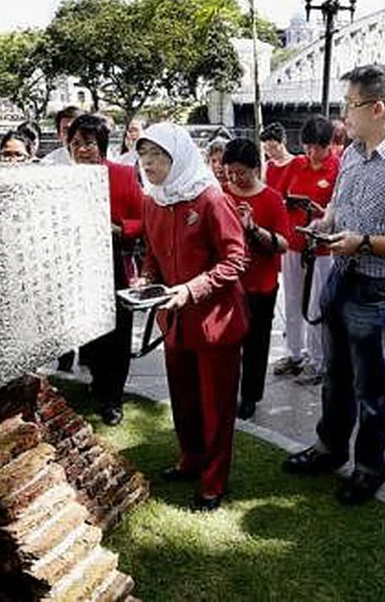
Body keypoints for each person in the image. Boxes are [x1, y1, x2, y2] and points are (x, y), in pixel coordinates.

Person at [282, 64, 385, 505]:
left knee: (373, 390)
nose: (342, 116)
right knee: (336, 378)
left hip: (381, 290)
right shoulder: (353, 151)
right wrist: (327, 221)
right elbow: (341, 200)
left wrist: (365, 243)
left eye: (349, 105)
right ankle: (329, 448)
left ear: (377, 107)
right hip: (342, 277)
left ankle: (370, 467)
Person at [135, 122, 249, 511]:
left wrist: (192, 288)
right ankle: (190, 458)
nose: (148, 164)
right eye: (144, 155)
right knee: (183, 398)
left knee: (216, 405)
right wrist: (147, 279)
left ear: (178, 157)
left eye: (158, 157)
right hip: (176, 321)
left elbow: (236, 259)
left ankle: (214, 480)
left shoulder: (211, 199)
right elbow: (151, 250)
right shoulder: (152, 199)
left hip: (215, 322)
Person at [56, 114, 143, 426]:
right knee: (90, 334)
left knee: (118, 334)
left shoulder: (121, 174)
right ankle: (97, 379)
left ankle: (114, 398)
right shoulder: (64, 180)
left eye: (89, 143)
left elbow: (142, 220)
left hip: (116, 264)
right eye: (75, 143)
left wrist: (119, 230)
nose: (81, 149)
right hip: (79, 266)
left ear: (102, 145)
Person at [222, 138, 290, 421]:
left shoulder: (271, 198)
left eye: (242, 172)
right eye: (230, 171)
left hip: (260, 285)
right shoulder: (220, 194)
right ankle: (224, 391)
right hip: (227, 283)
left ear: (255, 168)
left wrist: (254, 229)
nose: (236, 177)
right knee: (225, 343)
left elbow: (284, 243)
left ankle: (250, 396)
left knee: (256, 342)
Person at [272, 115, 340, 386]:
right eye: (307, 146)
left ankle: (317, 359)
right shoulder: (297, 164)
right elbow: (277, 196)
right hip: (294, 243)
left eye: (317, 147)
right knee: (292, 299)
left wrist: (321, 213)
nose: (312, 153)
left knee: (316, 305)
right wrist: (289, 203)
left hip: (320, 249)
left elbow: (338, 210)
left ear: (329, 145)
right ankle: (294, 353)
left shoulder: (337, 168)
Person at [260, 122, 295, 189]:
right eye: (266, 149)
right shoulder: (267, 166)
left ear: (283, 141)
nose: (270, 153)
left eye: (273, 147)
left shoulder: (296, 163)